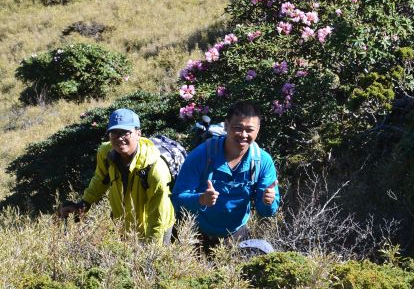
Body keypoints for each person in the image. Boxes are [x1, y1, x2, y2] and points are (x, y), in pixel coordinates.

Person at [172, 100, 280, 253]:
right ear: (226, 125)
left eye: (250, 130)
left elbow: (267, 211)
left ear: (258, 130)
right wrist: (201, 199)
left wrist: (268, 202)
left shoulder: (263, 161)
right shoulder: (202, 155)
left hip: (236, 235)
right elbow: (177, 198)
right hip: (196, 234)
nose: (243, 135)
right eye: (238, 128)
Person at [59, 108, 175, 244]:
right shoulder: (106, 153)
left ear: (138, 134)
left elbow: (158, 215)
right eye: (114, 133)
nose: (119, 138)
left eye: (126, 133)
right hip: (125, 226)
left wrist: (151, 251)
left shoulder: (155, 169)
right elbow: (100, 180)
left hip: (157, 227)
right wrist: (83, 205)